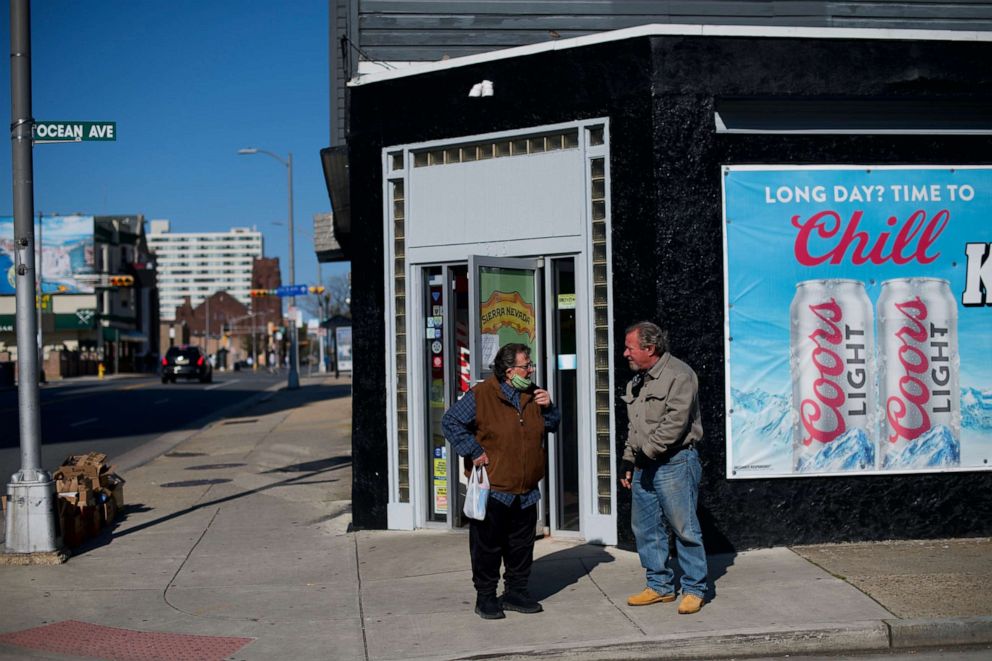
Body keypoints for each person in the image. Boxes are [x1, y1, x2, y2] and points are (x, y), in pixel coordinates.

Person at [442, 343, 560, 620]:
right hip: (493, 488)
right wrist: (473, 450)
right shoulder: (482, 395)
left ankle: (516, 592)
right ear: (509, 371)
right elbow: (450, 422)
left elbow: (552, 425)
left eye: (530, 365)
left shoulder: (533, 393)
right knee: (487, 547)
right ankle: (485, 597)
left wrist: (550, 407)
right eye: (526, 365)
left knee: (521, 546)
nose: (530, 370)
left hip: (526, 488)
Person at [620, 321, 708, 615]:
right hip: (645, 464)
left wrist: (647, 452)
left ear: (650, 348)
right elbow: (636, 425)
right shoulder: (638, 381)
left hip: (675, 462)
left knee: (684, 528)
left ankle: (695, 588)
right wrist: (629, 459)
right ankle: (659, 586)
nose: (625, 353)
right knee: (645, 528)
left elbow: (675, 423)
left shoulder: (679, 375)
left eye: (630, 348)